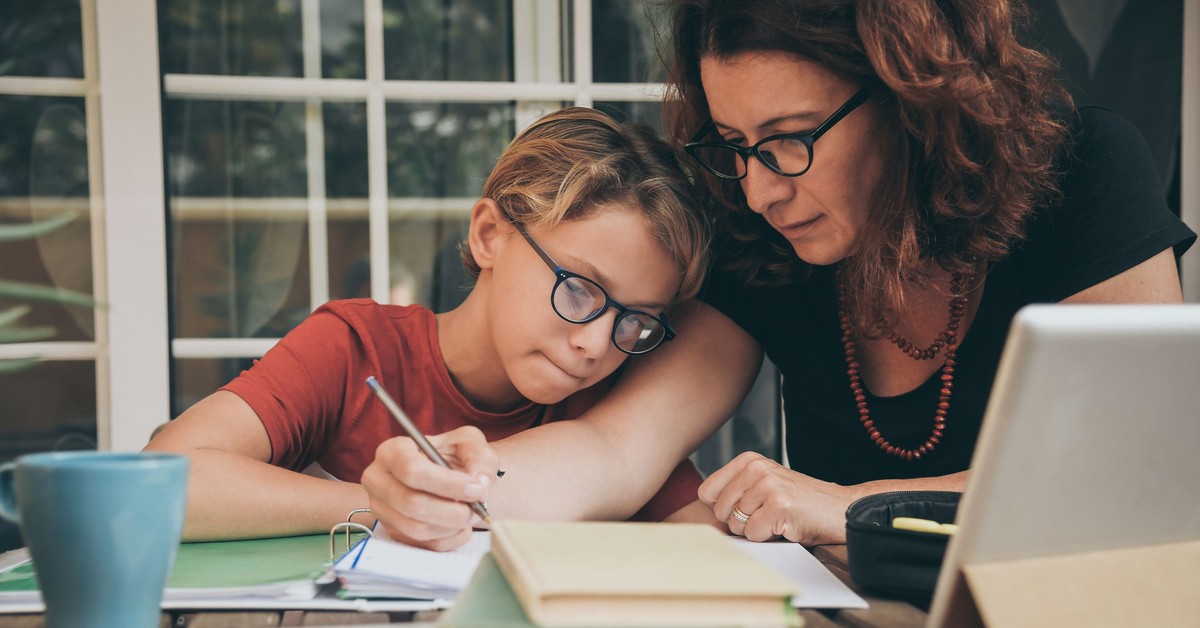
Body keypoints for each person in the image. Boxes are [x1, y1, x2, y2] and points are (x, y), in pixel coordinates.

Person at [359, 0, 1195, 551]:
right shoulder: (764, 239)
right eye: (735, 145)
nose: (759, 188)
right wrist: (466, 481)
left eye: (789, 137)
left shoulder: (1083, 173)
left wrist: (848, 504)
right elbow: (615, 447)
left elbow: (1142, 478)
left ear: (911, 99)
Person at [144, 107, 716, 545]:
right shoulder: (354, 348)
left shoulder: (613, 407)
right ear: (490, 234)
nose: (595, 343)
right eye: (578, 289)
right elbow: (159, 482)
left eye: (636, 320)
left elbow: (710, 550)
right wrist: (383, 505)